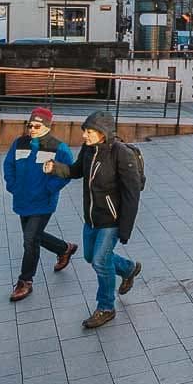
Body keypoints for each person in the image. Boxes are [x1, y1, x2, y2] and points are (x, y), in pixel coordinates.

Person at [45, 111, 142, 329]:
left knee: (100, 261)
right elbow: (77, 171)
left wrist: (125, 229)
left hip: (112, 219)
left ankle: (106, 307)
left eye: (89, 132)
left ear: (103, 133)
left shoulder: (121, 154)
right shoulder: (89, 150)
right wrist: (56, 168)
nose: (85, 136)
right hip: (91, 217)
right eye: (85, 132)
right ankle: (127, 269)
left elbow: (131, 194)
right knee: (91, 256)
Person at [3, 107, 77, 302]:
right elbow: (8, 164)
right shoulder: (20, 143)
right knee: (34, 236)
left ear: (47, 127)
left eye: (37, 126)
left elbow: (67, 172)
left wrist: (49, 189)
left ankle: (25, 281)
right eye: (30, 125)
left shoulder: (59, 148)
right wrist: (13, 185)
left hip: (43, 203)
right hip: (22, 200)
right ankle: (64, 248)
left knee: (29, 240)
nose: (32, 129)